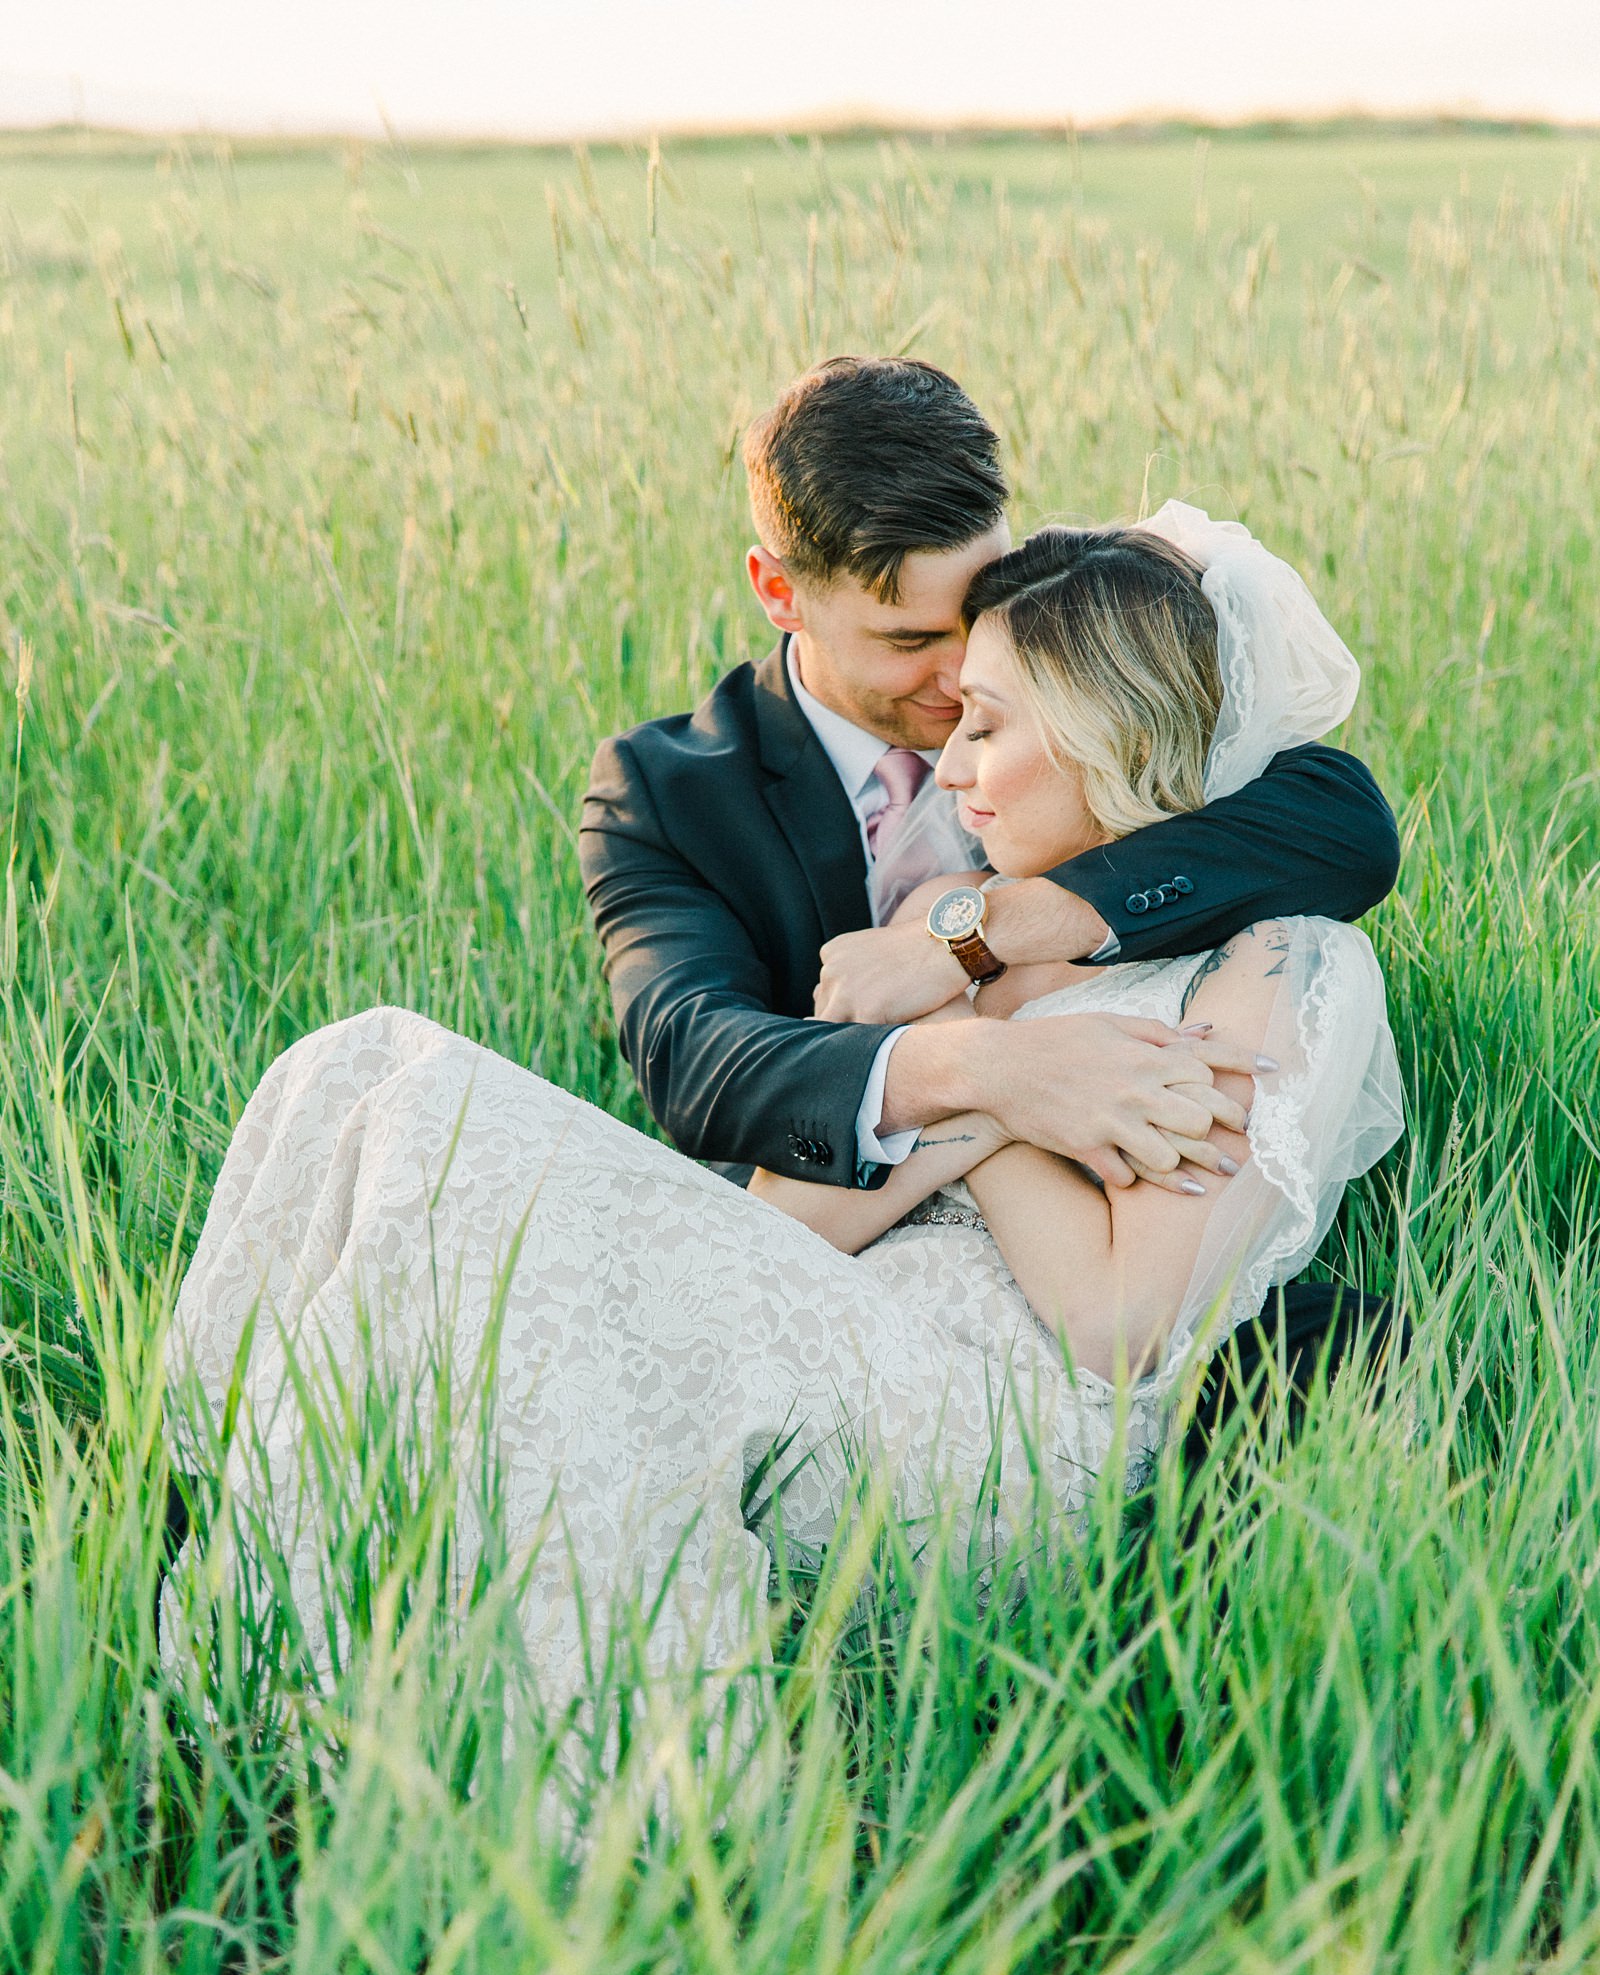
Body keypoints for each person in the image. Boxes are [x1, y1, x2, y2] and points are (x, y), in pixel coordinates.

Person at [166, 511, 1403, 1710]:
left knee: (442, 1123)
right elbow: (783, 1222)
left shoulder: (1274, 967)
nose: (949, 761)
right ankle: (260, 1574)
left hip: (1013, 1437)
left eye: (984, 723)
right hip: (834, 1324)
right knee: (363, 1074)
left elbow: (1121, 1328)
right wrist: (987, 1069)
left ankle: (474, 1695)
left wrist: (983, 1122)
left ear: (1100, 731)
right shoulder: (952, 929)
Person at [579, 353, 1401, 1395]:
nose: (961, 674)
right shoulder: (666, 792)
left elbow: (1341, 821)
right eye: (912, 641)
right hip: (827, 1260)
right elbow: (696, 1059)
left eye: (977, 622)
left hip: (1072, 1314)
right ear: (779, 592)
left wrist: (981, 933)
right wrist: (989, 1071)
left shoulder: (1061, 647)